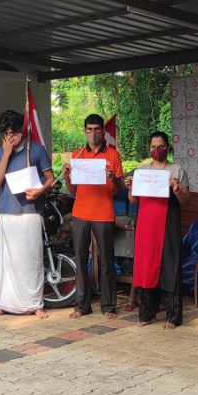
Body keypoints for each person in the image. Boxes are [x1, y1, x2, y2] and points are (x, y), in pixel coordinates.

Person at [0, 109, 56, 318]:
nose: (11, 137)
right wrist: (7, 153)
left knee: (31, 259)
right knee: (6, 261)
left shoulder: (36, 150)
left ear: (22, 131)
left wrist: (40, 190)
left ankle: (35, 304)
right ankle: (3, 303)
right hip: (6, 212)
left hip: (30, 212)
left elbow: (50, 178)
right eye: (6, 134)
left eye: (14, 133)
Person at [124, 132, 190, 329]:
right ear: (149, 148)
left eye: (161, 146)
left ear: (167, 147)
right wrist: (130, 188)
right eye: (153, 146)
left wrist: (177, 190)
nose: (157, 150)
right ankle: (147, 314)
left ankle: (172, 317)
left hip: (168, 223)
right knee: (145, 267)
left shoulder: (176, 170)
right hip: (146, 225)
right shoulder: (142, 171)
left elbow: (186, 201)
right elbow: (133, 201)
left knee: (170, 266)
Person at [63, 114, 124, 319]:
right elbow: (72, 189)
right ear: (84, 131)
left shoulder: (113, 155)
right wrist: (66, 176)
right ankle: (82, 306)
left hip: (104, 213)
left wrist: (113, 179)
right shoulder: (77, 154)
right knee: (81, 259)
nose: (93, 133)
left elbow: (118, 190)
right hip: (80, 213)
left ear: (102, 131)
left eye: (97, 129)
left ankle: (108, 306)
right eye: (89, 129)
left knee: (107, 261)